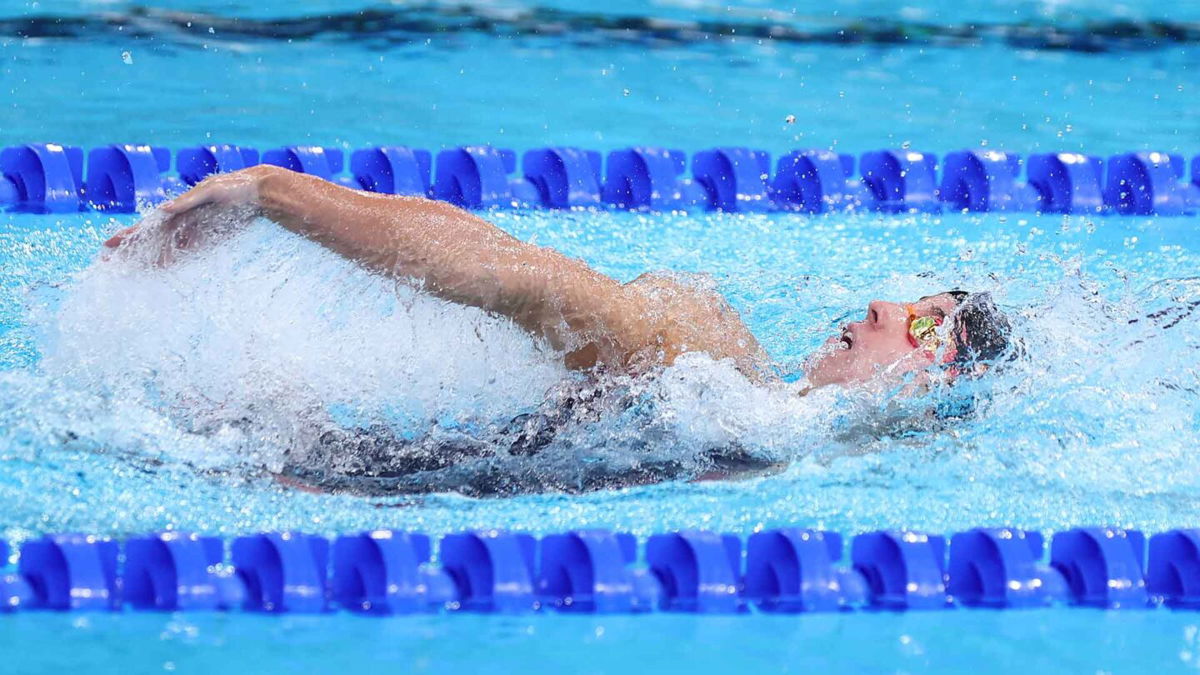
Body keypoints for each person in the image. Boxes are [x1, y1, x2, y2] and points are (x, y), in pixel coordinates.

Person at [104, 164, 1014, 495]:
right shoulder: (721, 372)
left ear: (931, 382)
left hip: (333, 470)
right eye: (908, 297)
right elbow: (520, 279)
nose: (881, 309)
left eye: (923, 325)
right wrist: (273, 196)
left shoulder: (753, 412)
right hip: (319, 467)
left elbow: (521, 276)